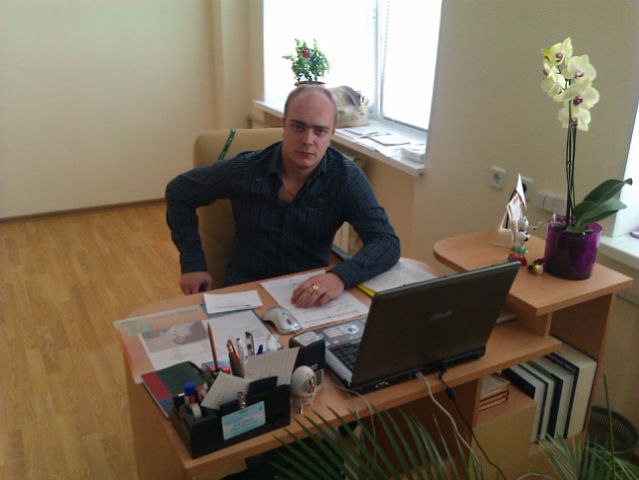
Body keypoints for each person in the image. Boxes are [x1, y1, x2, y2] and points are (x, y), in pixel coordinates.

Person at [165, 85, 400, 307]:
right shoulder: (245, 170)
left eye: (320, 131)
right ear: (283, 125)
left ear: (331, 134)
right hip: (246, 287)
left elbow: (386, 241)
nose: (308, 140)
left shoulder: (345, 178)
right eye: (298, 127)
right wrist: (192, 263)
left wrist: (340, 276)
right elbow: (179, 192)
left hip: (308, 291)